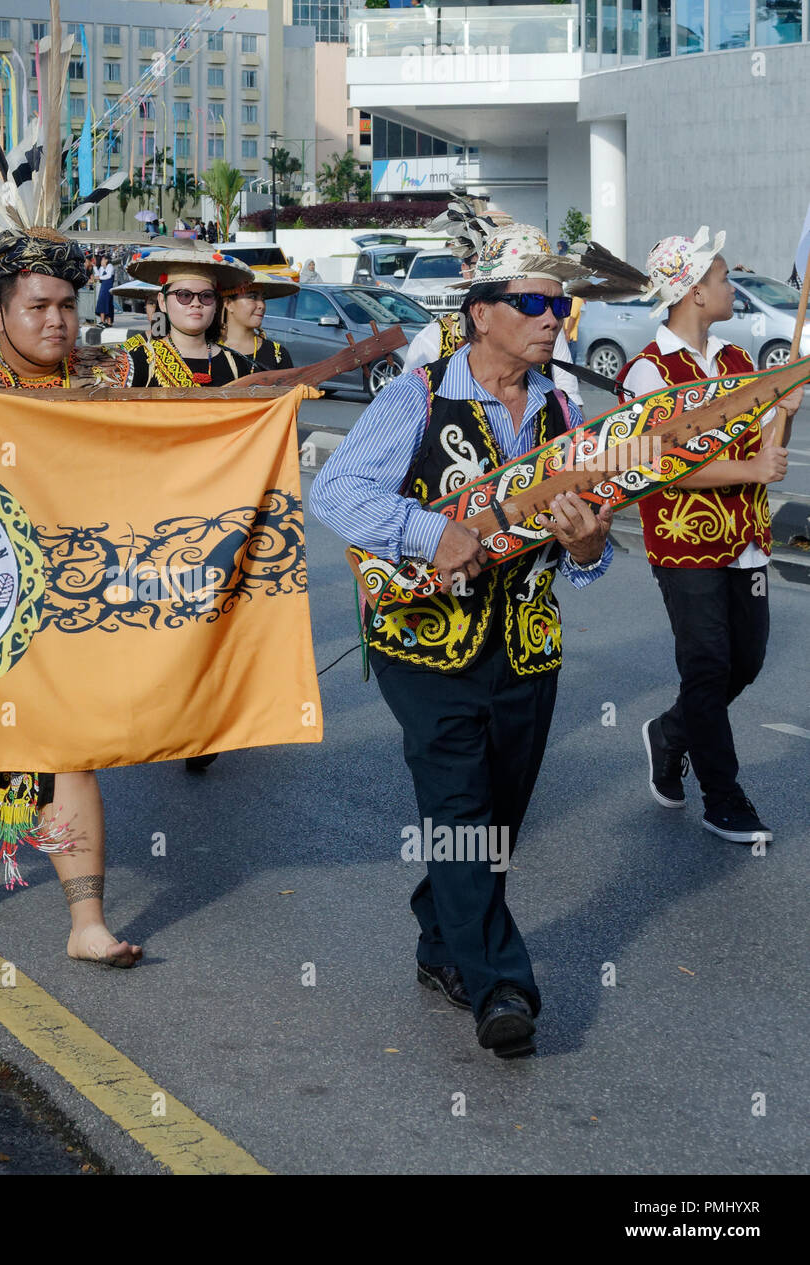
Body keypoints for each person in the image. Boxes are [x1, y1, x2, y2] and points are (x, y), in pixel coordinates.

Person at [309, 225, 614, 1059]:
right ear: (481, 314)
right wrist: (425, 530)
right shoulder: (416, 395)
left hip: (527, 643)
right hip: (424, 645)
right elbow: (336, 489)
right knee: (460, 807)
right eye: (534, 302)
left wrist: (588, 547)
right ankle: (501, 986)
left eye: (561, 302)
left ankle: (441, 933)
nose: (554, 316)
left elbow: (588, 543)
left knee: (499, 817)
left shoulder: (564, 409)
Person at [0, 227, 140, 968]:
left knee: (73, 749)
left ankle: (87, 920)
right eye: (38, 306)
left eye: (68, 306)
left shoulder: (114, 372)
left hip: (71, 593)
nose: (57, 322)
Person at [620, 228, 799, 844]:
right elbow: (660, 463)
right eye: (723, 279)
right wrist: (751, 468)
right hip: (682, 544)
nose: (731, 287)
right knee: (706, 665)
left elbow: (765, 454)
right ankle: (723, 798)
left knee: (743, 663)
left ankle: (671, 733)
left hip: (746, 538)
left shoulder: (737, 362)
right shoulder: (646, 373)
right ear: (695, 291)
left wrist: (784, 416)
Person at [403, 197, 583, 406]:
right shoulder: (433, 340)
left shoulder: (547, 332)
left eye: (559, 306)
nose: (550, 320)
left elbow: (571, 405)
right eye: (530, 301)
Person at [120, 248, 256, 386]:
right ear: (162, 302)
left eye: (206, 296)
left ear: (216, 305)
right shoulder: (137, 360)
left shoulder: (237, 364)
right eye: (184, 295)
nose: (196, 303)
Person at [220, 273, 295, 369]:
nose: (262, 306)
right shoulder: (207, 351)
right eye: (252, 297)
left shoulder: (277, 354)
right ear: (228, 303)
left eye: (263, 299)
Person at [93, 251, 115, 327]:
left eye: (102, 260)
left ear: (106, 260)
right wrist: (95, 267)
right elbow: (98, 275)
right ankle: (102, 321)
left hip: (108, 288)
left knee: (108, 304)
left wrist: (99, 277)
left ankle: (109, 322)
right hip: (103, 288)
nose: (101, 261)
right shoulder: (102, 268)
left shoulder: (110, 266)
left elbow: (108, 276)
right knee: (102, 303)